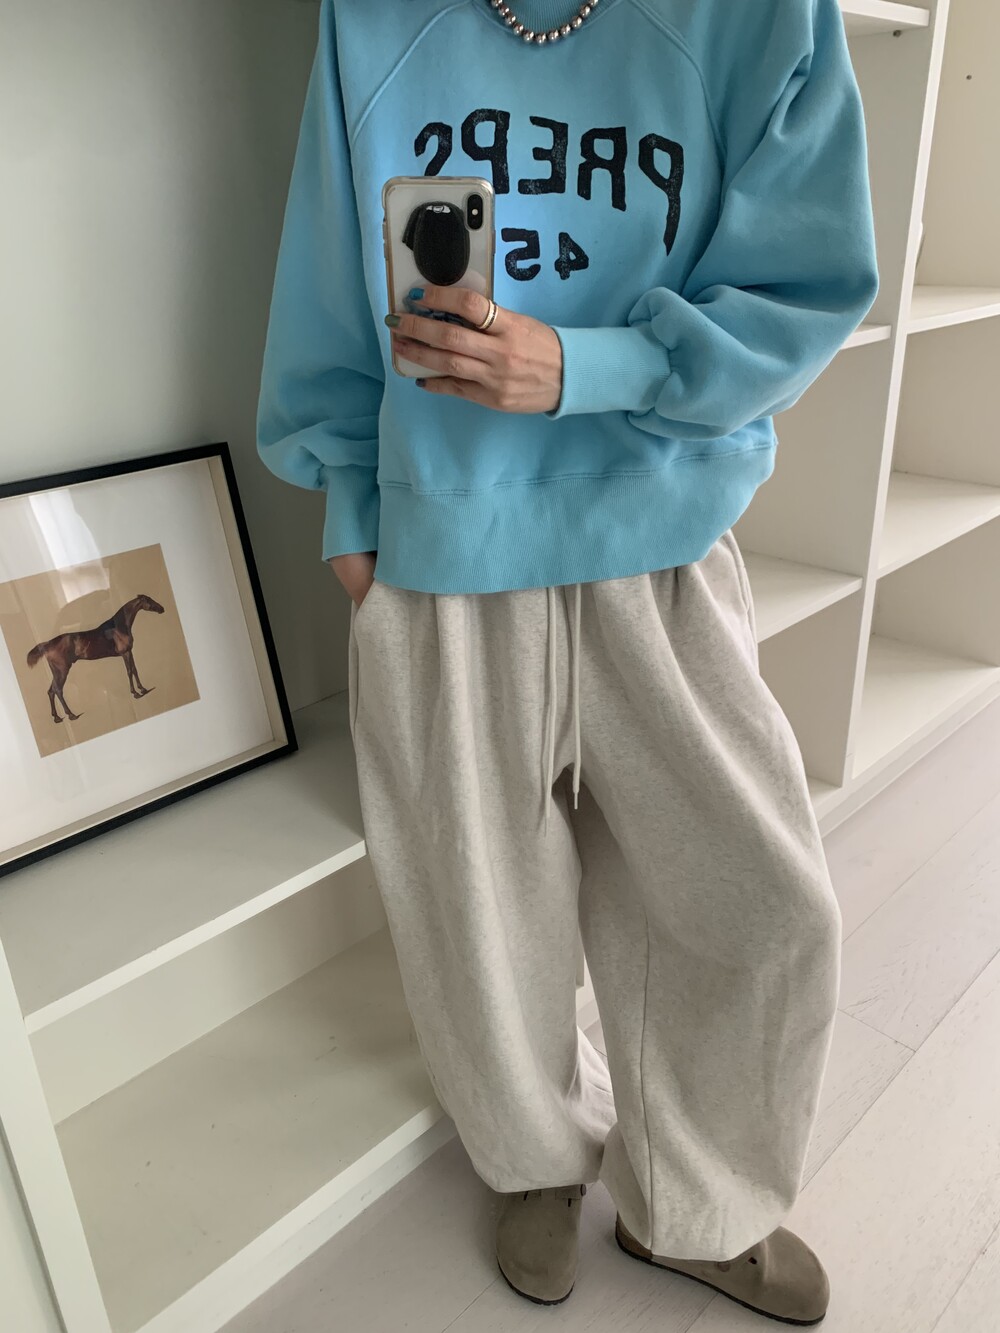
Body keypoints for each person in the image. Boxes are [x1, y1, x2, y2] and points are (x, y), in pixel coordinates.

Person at [256, 0, 879, 1322]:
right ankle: (533, 1154)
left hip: (661, 539)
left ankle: (702, 1199)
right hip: (438, 548)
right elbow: (324, 268)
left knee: (758, 896)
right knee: (475, 911)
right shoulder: (375, 17)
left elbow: (807, 285)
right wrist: (354, 506)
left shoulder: (761, 16)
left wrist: (586, 366)